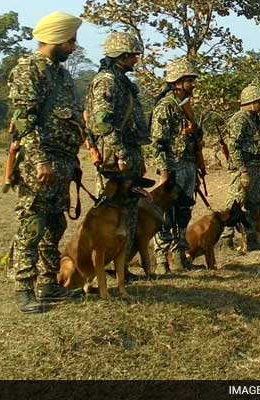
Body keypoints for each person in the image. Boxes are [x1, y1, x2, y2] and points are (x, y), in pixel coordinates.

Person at [7, 11, 85, 313]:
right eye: (71, 41)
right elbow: (25, 119)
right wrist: (40, 161)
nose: (74, 46)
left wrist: (72, 161)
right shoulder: (29, 69)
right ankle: (24, 288)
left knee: (55, 224)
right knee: (33, 224)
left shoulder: (62, 73)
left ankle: (47, 284)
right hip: (40, 165)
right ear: (56, 38)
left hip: (62, 163)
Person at [84, 31, 149, 280]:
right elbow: (102, 123)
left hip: (127, 150)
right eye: (133, 55)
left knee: (129, 210)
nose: (135, 59)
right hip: (113, 154)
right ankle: (99, 268)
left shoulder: (121, 81)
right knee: (109, 211)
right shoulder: (107, 81)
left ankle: (122, 268)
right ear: (121, 56)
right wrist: (121, 153)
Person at [150, 58, 200, 272]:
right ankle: (162, 261)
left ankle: (180, 258)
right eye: (189, 80)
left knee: (183, 212)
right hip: (172, 166)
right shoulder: (165, 107)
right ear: (177, 82)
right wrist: (164, 173)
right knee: (165, 215)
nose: (193, 84)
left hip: (187, 165)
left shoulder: (185, 107)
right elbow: (158, 143)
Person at [220, 84, 260, 252]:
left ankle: (250, 237)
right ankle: (226, 239)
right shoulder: (239, 119)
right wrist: (242, 170)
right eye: (259, 102)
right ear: (250, 102)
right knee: (235, 203)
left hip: (255, 167)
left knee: (253, 203)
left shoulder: (254, 118)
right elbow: (233, 145)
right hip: (244, 168)